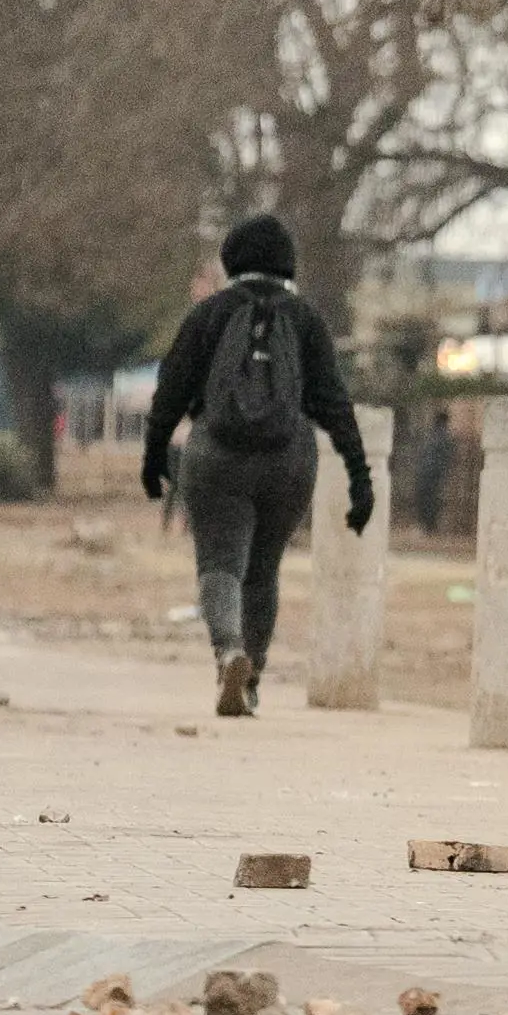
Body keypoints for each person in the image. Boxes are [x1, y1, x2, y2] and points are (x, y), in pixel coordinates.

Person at [143, 211, 374, 717]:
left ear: (231, 260)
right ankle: (252, 682)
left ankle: (228, 649)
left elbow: (171, 391)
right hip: (287, 462)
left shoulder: (209, 314)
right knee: (263, 571)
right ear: (286, 262)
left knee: (220, 563)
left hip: (216, 457)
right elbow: (334, 403)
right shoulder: (306, 319)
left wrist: (155, 454)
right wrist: (360, 475)